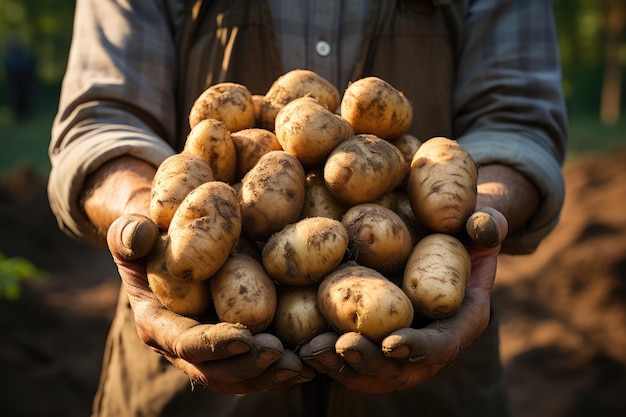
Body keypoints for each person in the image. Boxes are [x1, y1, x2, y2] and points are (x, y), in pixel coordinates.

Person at [48, 0, 567, 416]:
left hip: (430, 389)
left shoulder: (376, 174)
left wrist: (486, 211)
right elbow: (101, 115)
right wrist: (142, 210)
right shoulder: (248, 167)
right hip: (184, 375)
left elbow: (517, 117)